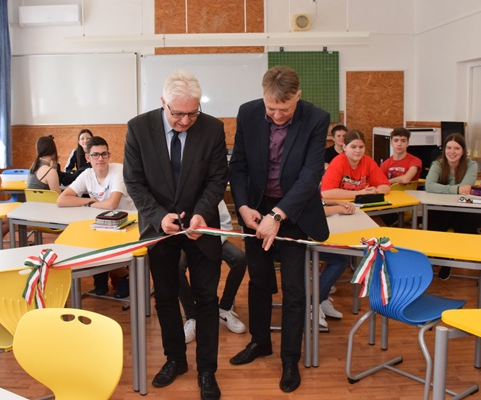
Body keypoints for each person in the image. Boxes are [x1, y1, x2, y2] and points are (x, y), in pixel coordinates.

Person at [123, 70, 228, 400]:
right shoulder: (138, 128)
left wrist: (201, 213)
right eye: (178, 113)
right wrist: (158, 216)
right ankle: (175, 360)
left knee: (207, 299)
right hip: (160, 227)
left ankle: (207, 370)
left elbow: (217, 179)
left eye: (192, 113)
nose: (185, 121)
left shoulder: (212, 128)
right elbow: (134, 181)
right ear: (163, 103)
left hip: (201, 226)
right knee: (166, 297)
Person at [228, 66, 330, 394]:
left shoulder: (316, 119)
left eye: (284, 109)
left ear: (298, 96)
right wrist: (243, 207)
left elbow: (310, 175)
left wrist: (278, 214)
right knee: (258, 282)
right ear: (263, 96)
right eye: (271, 108)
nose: (277, 115)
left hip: (294, 213)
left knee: (294, 290)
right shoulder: (248, 113)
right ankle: (260, 342)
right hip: (256, 211)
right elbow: (238, 166)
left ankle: (290, 359)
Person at [57, 136, 136, 298]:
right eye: (95, 155)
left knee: (100, 245)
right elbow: (62, 200)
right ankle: (101, 278)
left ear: (109, 155)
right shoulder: (87, 174)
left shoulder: (118, 171)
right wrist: (90, 201)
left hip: (126, 222)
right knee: (84, 240)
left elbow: (112, 204)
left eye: (104, 154)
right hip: (102, 222)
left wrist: (90, 204)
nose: (100, 159)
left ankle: (125, 277)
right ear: (88, 157)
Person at [180, 201, 247, 343]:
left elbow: (225, 225)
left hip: (213, 240)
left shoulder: (212, 195)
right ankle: (192, 315)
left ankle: (224, 308)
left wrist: (210, 244)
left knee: (240, 259)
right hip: (184, 242)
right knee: (177, 266)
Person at [425, 133, 481, 280]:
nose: (452, 152)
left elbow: (466, 188)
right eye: (449, 148)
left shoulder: (471, 165)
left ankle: (450, 258)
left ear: (463, 151)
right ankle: (442, 258)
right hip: (442, 209)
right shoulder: (438, 164)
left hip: (463, 210)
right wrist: (455, 189)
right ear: (444, 149)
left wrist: (444, 188)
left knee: (466, 225)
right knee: (433, 221)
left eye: (456, 148)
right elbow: (429, 185)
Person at [321, 129, 391, 199]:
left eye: (361, 147)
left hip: (364, 203)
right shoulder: (337, 162)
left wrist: (375, 192)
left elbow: (385, 185)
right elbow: (326, 192)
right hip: (342, 204)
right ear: (344, 147)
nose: (358, 151)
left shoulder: (368, 161)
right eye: (353, 147)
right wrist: (360, 193)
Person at [317, 199, 355, 329]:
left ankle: (321, 299)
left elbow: (317, 200)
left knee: (340, 258)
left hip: (302, 232)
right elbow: (312, 210)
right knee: (339, 260)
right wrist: (338, 208)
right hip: (290, 241)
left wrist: (336, 203)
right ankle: (313, 304)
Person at [379, 127, 422, 226]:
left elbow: (406, 179)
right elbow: (379, 184)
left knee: (377, 221)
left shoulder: (415, 161)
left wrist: (390, 181)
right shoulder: (385, 164)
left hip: (405, 206)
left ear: (408, 143)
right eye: (396, 140)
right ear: (391, 142)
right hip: (388, 204)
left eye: (403, 141)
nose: (399, 144)